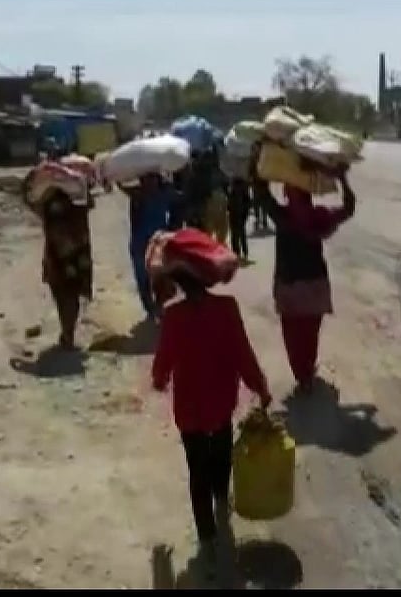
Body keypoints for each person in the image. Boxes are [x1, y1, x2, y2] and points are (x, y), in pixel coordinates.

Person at [150, 236, 272, 568]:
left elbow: (165, 358)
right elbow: (242, 353)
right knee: (220, 453)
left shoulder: (172, 315)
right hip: (221, 402)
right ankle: (222, 496)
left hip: (190, 406)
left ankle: (207, 537)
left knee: (196, 469)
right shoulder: (226, 308)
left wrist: (159, 379)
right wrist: (260, 387)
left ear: (177, 283)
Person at [252, 161, 355, 392]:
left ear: (288, 193)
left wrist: (259, 161)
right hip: (314, 284)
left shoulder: (283, 215)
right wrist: (342, 178)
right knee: (309, 335)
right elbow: (349, 208)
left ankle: (302, 374)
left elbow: (259, 192)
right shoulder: (319, 216)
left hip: (288, 283)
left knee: (292, 335)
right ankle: (306, 372)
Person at [39, 188, 93, 349]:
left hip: (60, 256)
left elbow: (32, 203)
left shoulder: (48, 204)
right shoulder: (78, 204)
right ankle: (68, 332)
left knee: (64, 296)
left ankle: (67, 332)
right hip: (72, 256)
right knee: (70, 296)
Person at [120, 173, 175, 320]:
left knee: (162, 277)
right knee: (143, 279)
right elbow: (121, 186)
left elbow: (181, 198)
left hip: (159, 243)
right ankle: (150, 307)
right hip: (140, 244)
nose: (150, 182)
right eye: (146, 179)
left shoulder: (165, 193)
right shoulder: (138, 195)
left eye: (153, 179)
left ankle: (159, 305)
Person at [227, 176, 252, 262]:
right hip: (241, 214)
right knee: (241, 234)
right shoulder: (243, 190)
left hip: (235, 214)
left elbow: (229, 205)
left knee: (235, 235)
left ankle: (237, 252)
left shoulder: (232, 191)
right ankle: (244, 252)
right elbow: (249, 203)